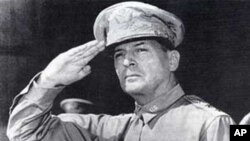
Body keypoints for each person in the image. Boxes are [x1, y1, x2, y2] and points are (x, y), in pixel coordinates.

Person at [7, 1, 235, 141]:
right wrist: (49, 80)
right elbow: (22, 133)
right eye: (119, 54)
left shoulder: (211, 123)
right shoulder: (110, 129)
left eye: (141, 50)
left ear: (172, 60)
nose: (127, 62)